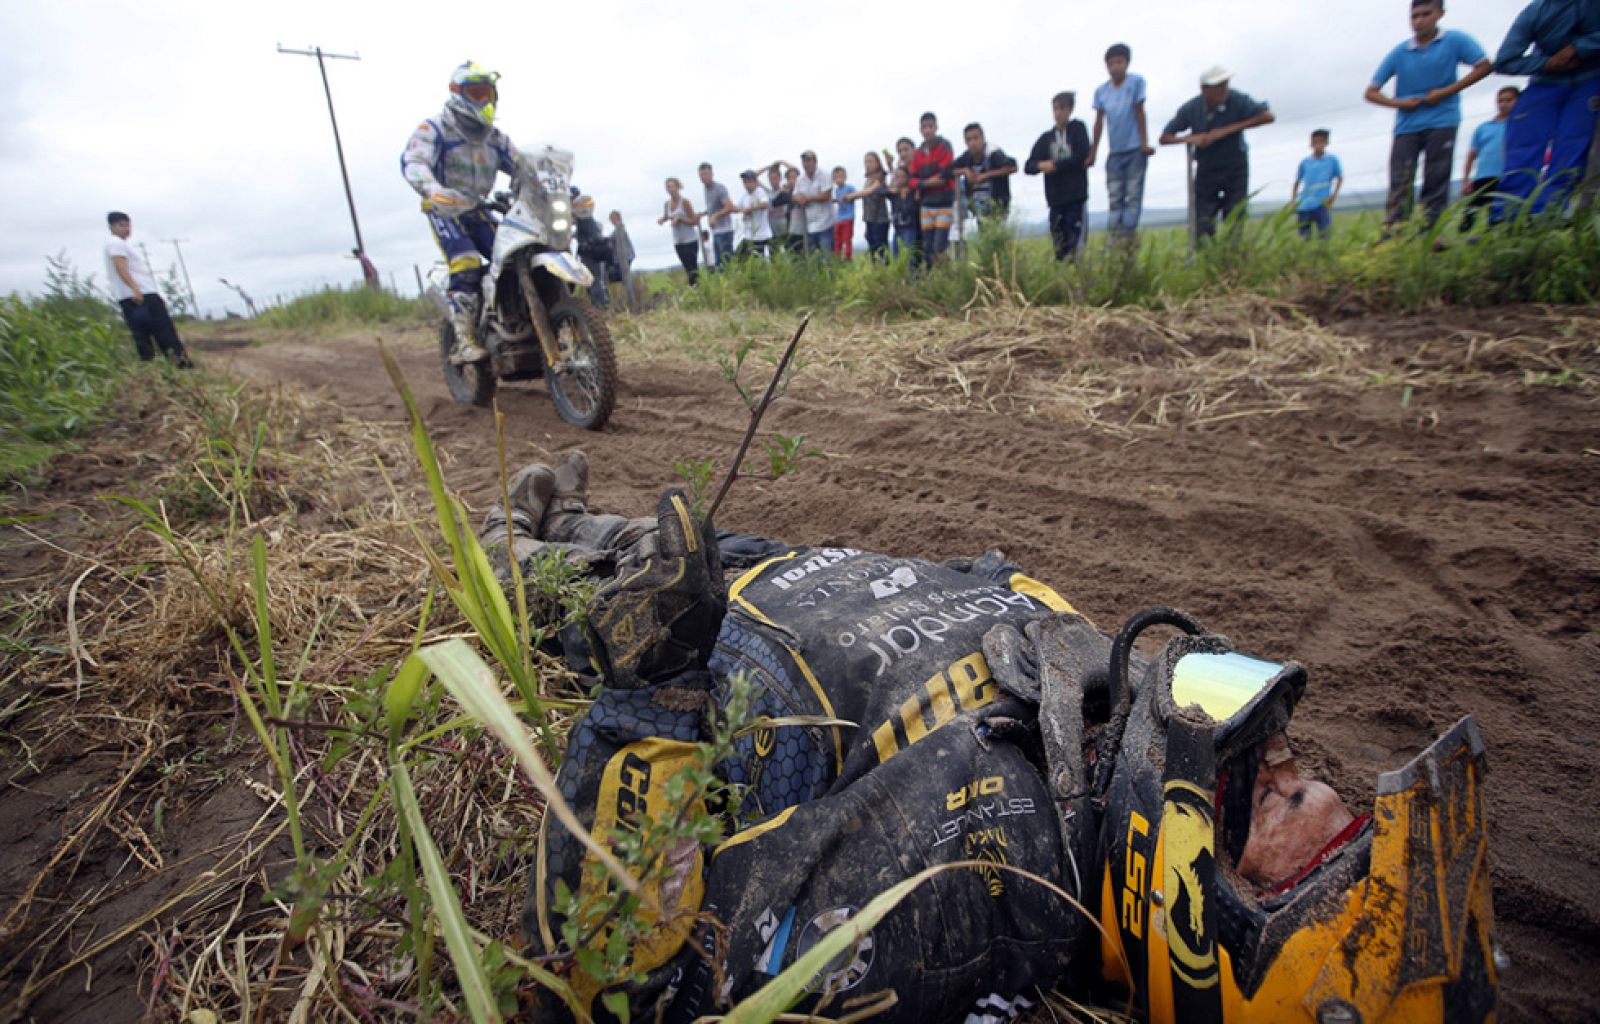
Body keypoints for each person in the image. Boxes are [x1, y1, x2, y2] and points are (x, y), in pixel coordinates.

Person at [480, 452, 1500, 1024]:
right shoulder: (1104, 749)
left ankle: (524, 545)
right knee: (617, 535)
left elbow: (625, 987)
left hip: (737, 636)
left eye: (1277, 806)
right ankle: (568, 517)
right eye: (1306, 771)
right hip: (821, 575)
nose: (1284, 763)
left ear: (1201, 920)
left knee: (553, 577)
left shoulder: (975, 873)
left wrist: (651, 692)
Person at [401, 62, 521, 364]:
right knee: (466, 262)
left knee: (512, 259)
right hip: (446, 209)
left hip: (479, 208)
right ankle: (465, 339)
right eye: (476, 92)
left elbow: (524, 167)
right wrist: (431, 189)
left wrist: (553, 186)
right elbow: (414, 161)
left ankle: (512, 317)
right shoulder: (436, 128)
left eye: (488, 93)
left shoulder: (496, 138)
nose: (484, 101)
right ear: (458, 94)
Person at [1365, 0, 1493, 232]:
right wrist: (1397, 103)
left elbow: (1484, 66)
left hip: (1443, 120)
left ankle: (1430, 234)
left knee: (1436, 179)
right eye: (1414, 16)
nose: (1419, 20)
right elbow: (1370, 92)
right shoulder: (1400, 52)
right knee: (1400, 181)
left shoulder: (1455, 41)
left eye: (1426, 14)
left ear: (1440, 14)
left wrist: (1446, 91)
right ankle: (1394, 235)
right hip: (1407, 125)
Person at [1494, 0, 1600, 217]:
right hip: (1545, 82)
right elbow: (1505, 60)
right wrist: (1547, 63)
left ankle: (1549, 215)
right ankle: (1506, 217)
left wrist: (1578, 48)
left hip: (1589, 80)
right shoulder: (1535, 12)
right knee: (1523, 142)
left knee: (1571, 148)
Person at [1160, 68, 1275, 242]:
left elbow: (1267, 116)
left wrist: (1225, 131)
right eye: (1217, 86)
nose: (1223, 90)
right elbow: (1165, 137)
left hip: (1235, 164)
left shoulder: (1237, 99)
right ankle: (1205, 257)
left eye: (1225, 84)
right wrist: (1192, 138)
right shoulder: (1191, 108)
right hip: (1206, 167)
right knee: (1204, 219)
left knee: (1235, 214)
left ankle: (1233, 257)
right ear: (1204, 89)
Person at [103, 212, 193, 367]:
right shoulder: (115, 243)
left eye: (128, 225)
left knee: (143, 337)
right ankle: (182, 367)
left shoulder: (116, 244)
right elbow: (120, 266)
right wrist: (135, 289)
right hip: (142, 296)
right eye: (121, 225)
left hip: (132, 297)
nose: (126, 229)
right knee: (164, 333)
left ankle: (151, 369)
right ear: (111, 226)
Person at [1088, 43, 1157, 241]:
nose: (1115, 67)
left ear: (1127, 62)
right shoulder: (1101, 92)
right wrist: (1093, 153)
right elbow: (1098, 123)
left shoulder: (1136, 83)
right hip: (1115, 152)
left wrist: (1144, 143)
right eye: (1110, 64)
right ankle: (1114, 240)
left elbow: (1139, 112)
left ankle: (1128, 238)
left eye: (1119, 62)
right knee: (1115, 198)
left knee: (1133, 196)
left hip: (1134, 149)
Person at [1026, 92, 1093, 260]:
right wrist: (1041, 165)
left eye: (1062, 108)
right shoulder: (1046, 139)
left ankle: (1078, 281)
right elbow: (1029, 166)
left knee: (1076, 245)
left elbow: (1082, 155)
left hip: (1076, 198)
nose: (1058, 113)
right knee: (1059, 247)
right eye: (1055, 109)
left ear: (1070, 109)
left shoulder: (1077, 129)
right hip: (1055, 200)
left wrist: (1055, 165)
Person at [1462, 86, 1519, 230]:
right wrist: (1466, 179)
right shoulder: (1483, 128)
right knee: (1471, 209)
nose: (1503, 104)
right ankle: (1460, 237)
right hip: (1484, 176)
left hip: (1507, 176)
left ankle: (1492, 234)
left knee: (1499, 210)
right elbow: (1471, 155)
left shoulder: (1519, 126)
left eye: (1509, 100)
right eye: (1500, 101)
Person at [909, 113, 957, 262]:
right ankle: (935, 279)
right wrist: (925, 183)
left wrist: (921, 184)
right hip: (926, 204)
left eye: (930, 126)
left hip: (944, 202)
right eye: (924, 127)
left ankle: (946, 277)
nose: (927, 130)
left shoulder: (944, 146)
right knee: (928, 247)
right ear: (920, 130)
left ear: (936, 127)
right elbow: (911, 179)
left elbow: (944, 176)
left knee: (939, 246)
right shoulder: (918, 152)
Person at [950, 122, 1018, 221]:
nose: (973, 143)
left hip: (997, 203)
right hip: (978, 204)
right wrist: (965, 171)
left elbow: (1012, 167)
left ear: (983, 138)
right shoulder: (967, 156)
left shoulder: (993, 153)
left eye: (976, 138)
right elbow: (948, 170)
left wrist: (986, 175)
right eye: (969, 140)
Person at [1291, 129, 1344, 240]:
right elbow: (1297, 181)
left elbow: (1339, 177)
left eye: (1321, 142)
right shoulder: (1305, 162)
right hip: (1304, 204)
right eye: (1315, 142)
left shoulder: (1332, 160)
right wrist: (1294, 199)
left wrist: (1333, 195)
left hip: (1322, 203)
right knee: (1304, 237)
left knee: (1324, 235)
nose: (1318, 145)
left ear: (1326, 143)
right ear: (1311, 144)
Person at [841, 151, 892, 260]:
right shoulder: (868, 180)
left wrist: (851, 196)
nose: (867, 164)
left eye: (870, 161)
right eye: (865, 162)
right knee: (872, 249)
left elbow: (869, 191)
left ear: (877, 163)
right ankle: (876, 271)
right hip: (869, 219)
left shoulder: (880, 177)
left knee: (881, 248)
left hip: (880, 220)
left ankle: (886, 270)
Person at [783, 151, 836, 256]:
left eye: (809, 160)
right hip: (810, 225)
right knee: (812, 258)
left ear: (815, 162)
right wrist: (799, 199)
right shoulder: (800, 179)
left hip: (826, 223)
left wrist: (807, 198)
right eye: (804, 161)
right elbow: (794, 196)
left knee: (827, 257)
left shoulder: (824, 174)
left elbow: (826, 195)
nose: (806, 164)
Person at [572, 194, 612, 309]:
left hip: (590, 253)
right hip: (593, 253)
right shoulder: (589, 221)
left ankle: (600, 306)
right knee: (596, 280)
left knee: (594, 281)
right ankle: (601, 305)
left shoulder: (584, 221)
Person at [658, 177, 700, 286]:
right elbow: (667, 216)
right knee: (686, 267)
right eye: (668, 187)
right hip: (678, 241)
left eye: (672, 186)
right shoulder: (667, 204)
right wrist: (662, 219)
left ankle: (698, 288)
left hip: (690, 240)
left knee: (693, 268)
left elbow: (694, 221)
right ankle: (693, 289)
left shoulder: (685, 202)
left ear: (678, 187)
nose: (670, 189)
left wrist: (681, 218)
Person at [698, 163, 737, 270]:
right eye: (701, 175)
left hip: (725, 230)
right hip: (715, 231)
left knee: (727, 261)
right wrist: (704, 213)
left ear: (712, 174)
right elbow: (712, 206)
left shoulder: (719, 188)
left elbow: (729, 206)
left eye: (706, 174)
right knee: (719, 263)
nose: (704, 177)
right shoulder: (705, 190)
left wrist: (715, 215)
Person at [891, 137, 921, 258]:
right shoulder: (901, 169)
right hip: (903, 220)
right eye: (900, 151)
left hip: (919, 215)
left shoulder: (920, 166)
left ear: (914, 149)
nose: (903, 153)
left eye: (906, 149)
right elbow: (892, 187)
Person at [734, 169, 774, 260]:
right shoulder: (744, 195)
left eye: (749, 181)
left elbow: (765, 204)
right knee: (739, 258)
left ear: (755, 182)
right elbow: (736, 207)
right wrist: (742, 210)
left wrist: (750, 209)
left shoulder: (760, 192)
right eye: (745, 182)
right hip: (749, 235)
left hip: (762, 235)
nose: (747, 184)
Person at [606, 211, 638, 312]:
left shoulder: (619, 229)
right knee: (623, 278)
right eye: (611, 219)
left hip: (624, 257)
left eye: (613, 218)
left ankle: (628, 302)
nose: (612, 220)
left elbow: (612, 240)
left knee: (622, 277)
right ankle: (623, 301)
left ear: (618, 218)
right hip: (622, 258)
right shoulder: (617, 229)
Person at [764, 166, 793, 253]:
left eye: (775, 178)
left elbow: (795, 172)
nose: (773, 181)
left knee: (790, 254)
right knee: (774, 257)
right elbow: (754, 175)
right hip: (772, 231)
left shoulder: (785, 191)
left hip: (786, 229)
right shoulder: (767, 192)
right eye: (770, 179)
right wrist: (769, 167)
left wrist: (782, 162)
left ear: (780, 178)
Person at [830, 166, 856, 259]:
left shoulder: (850, 188)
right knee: (837, 238)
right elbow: (839, 200)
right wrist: (835, 200)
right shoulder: (836, 190)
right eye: (836, 177)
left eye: (840, 176)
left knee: (847, 238)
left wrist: (849, 196)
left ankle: (848, 257)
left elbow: (855, 196)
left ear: (845, 177)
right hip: (839, 218)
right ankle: (837, 255)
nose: (838, 179)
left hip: (848, 217)